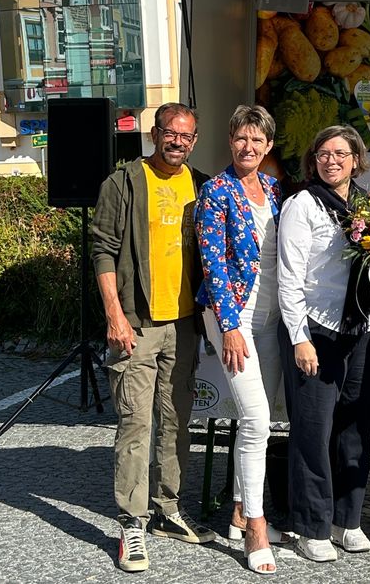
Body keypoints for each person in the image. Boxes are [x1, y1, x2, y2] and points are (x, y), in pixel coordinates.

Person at [92, 102, 216, 574]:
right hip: (137, 324)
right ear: (154, 133)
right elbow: (102, 249)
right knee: (135, 425)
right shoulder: (123, 181)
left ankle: (168, 510)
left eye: (186, 136)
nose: (177, 142)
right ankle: (132, 522)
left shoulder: (202, 185)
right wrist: (115, 316)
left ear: (194, 139)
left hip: (184, 326)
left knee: (176, 421)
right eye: (170, 133)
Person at [277, 125, 370, 563]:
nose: (332, 160)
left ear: (356, 159)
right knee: (313, 432)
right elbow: (289, 278)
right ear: (313, 160)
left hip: (364, 328)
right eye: (323, 153)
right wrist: (299, 338)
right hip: (317, 329)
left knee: (355, 426)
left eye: (341, 153)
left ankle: (347, 520)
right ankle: (311, 525)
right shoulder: (301, 205)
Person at [194, 104, 287, 575]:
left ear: (268, 146)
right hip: (233, 314)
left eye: (257, 140)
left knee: (257, 420)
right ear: (230, 141)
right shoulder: (216, 190)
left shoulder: (273, 189)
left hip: (270, 315)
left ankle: (235, 508)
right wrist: (229, 325)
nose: (248, 147)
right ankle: (255, 524)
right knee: (256, 419)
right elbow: (211, 262)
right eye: (240, 138)